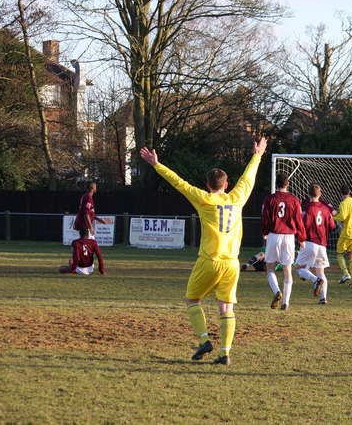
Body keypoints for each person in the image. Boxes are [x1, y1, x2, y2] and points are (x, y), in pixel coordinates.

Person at [140, 137, 267, 366]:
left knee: (192, 299)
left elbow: (179, 183)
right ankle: (225, 353)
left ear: (208, 185)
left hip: (209, 260)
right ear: (226, 185)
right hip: (231, 264)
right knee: (226, 308)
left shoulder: (204, 199)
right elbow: (248, 177)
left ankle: (204, 340)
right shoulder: (237, 198)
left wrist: (156, 165)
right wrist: (257, 155)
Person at [261, 172, 306, 310]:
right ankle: (285, 302)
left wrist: (265, 232)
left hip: (274, 235)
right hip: (288, 237)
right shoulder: (294, 200)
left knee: (270, 267)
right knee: (287, 270)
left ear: (276, 184)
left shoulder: (269, 199)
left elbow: (265, 218)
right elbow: (299, 221)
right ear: (287, 184)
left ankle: (277, 291)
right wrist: (302, 238)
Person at [295, 183, 336, 305]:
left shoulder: (307, 208)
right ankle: (323, 298)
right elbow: (332, 226)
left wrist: (300, 238)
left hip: (309, 242)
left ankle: (315, 280)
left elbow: (303, 225)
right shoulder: (325, 209)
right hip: (322, 245)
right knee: (321, 272)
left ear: (308, 195)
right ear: (320, 195)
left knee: (298, 269)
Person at [333, 184, 352, 287]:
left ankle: (346, 274)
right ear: (349, 192)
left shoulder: (344, 203)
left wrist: (331, 217)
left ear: (340, 194)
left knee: (339, 253)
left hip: (348, 232)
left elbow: (343, 216)